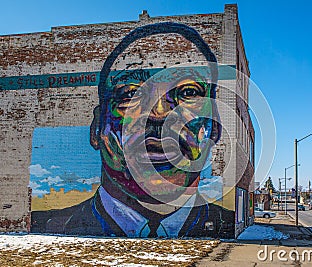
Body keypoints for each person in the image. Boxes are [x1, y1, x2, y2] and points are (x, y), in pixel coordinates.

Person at [31, 22, 234, 238]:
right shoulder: (52, 226)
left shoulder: (227, 224)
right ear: (96, 129)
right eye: (129, 95)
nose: (159, 114)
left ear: (215, 128)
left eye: (189, 92)